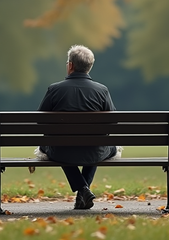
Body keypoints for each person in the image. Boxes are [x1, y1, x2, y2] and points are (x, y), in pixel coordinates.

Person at [37, 44, 117, 210]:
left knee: (60, 146)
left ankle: (82, 190)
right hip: (94, 151)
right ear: (89, 67)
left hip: (62, 151)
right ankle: (83, 192)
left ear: (71, 65)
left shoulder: (54, 89)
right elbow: (112, 122)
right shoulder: (102, 90)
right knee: (97, 143)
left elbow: (40, 121)